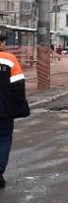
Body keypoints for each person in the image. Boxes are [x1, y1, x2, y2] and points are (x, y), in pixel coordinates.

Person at [0, 34, 31, 189]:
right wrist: (20, 106)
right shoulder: (10, 59)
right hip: (4, 109)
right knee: (4, 139)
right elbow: (18, 85)